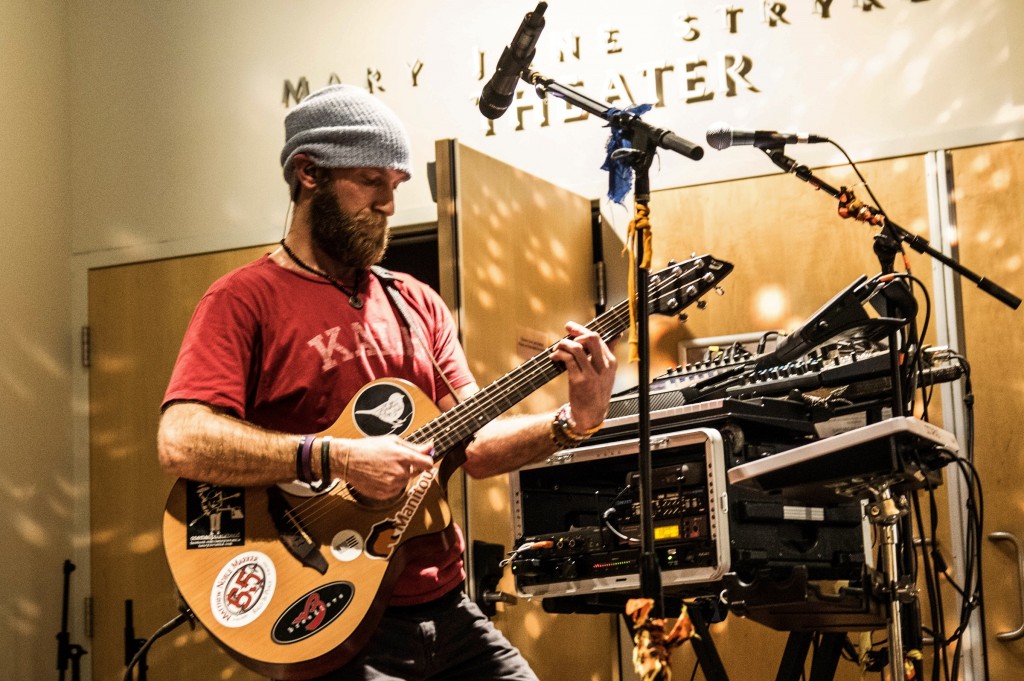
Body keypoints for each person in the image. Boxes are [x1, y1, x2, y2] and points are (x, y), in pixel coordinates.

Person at [157, 84, 617, 680]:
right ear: (309, 173)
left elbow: (473, 446)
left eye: (395, 186)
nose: (388, 205)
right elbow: (182, 440)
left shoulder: (417, 303)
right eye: (371, 181)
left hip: (448, 605)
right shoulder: (244, 300)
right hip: (333, 609)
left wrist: (572, 422)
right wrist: (335, 458)